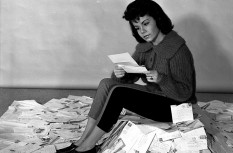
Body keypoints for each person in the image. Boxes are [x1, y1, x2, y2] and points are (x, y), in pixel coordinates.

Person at [56, 0, 197, 152]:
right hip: (154, 96)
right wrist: (121, 74)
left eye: (146, 23)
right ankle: (82, 140)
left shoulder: (177, 49)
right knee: (106, 83)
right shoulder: (145, 46)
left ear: (158, 19)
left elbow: (185, 93)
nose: (142, 31)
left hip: (176, 107)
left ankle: (87, 147)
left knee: (119, 94)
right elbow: (131, 74)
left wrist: (162, 79)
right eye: (137, 27)